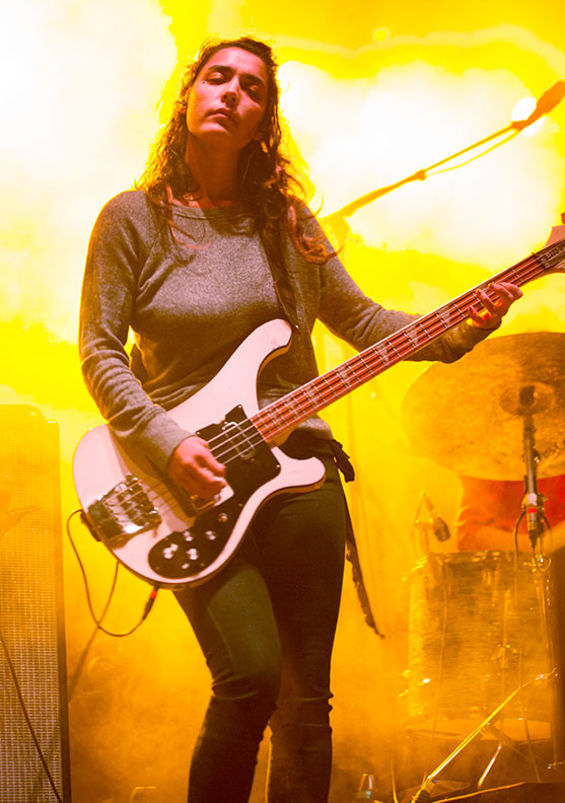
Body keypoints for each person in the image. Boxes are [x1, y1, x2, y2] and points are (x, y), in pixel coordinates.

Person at [78, 36, 522, 803]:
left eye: (251, 89)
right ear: (186, 98)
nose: (231, 94)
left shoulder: (285, 222)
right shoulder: (132, 220)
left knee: (306, 707)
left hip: (299, 474)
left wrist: (463, 324)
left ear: (264, 122)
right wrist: (167, 440)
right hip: (182, 478)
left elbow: (364, 319)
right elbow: (96, 350)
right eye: (217, 78)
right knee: (248, 677)